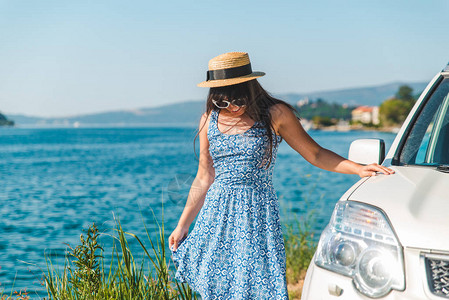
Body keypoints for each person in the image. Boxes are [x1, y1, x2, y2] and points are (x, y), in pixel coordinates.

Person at [168, 52, 394, 299]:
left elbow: (316, 154)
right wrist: (182, 225)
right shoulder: (209, 119)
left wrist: (358, 168)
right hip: (216, 213)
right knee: (220, 285)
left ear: (250, 89)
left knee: (258, 285)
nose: (230, 107)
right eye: (222, 101)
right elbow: (204, 176)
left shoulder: (275, 114)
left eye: (236, 99)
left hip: (256, 213)